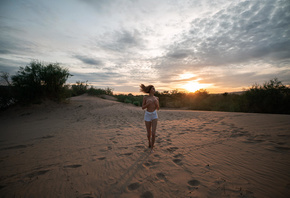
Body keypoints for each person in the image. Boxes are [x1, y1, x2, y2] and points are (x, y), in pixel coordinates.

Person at [140, 84, 160, 153]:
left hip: (154, 114)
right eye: (153, 89)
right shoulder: (145, 98)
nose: (154, 90)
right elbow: (143, 107)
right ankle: (149, 142)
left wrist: (156, 104)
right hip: (147, 115)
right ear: (150, 90)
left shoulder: (156, 98)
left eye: (154, 89)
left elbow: (158, 108)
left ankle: (152, 147)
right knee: (149, 133)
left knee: (153, 133)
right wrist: (147, 104)